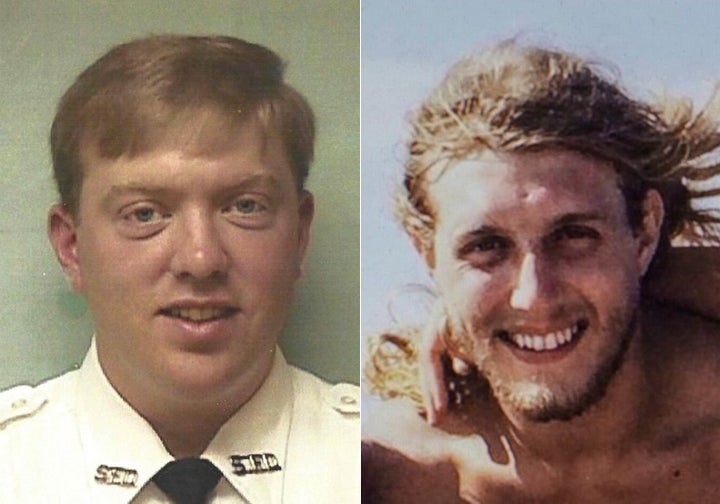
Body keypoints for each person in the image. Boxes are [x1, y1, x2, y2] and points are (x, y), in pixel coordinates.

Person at [0, 35, 359, 503]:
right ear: (71, 248)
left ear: (299, 237)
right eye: (145, 214)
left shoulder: (397, 474)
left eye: (245, 206)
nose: (201, 259)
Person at [362, 41, 720, 504]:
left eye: (574, 235)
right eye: (486, 247)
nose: (533, 296)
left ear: (644, 231)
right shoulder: (387, 475)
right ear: (428, 254)